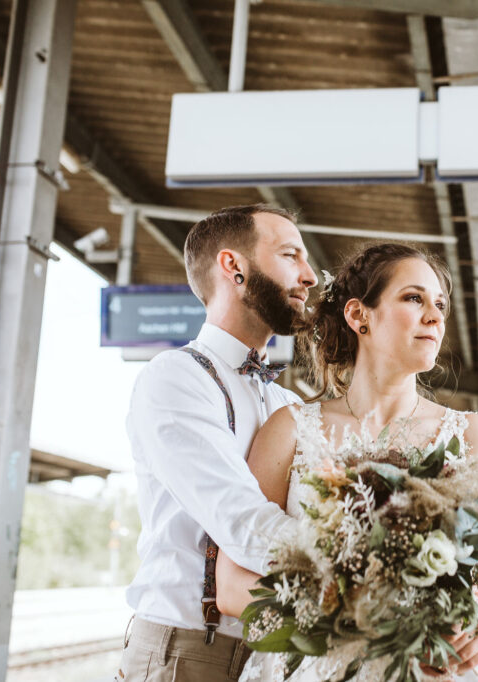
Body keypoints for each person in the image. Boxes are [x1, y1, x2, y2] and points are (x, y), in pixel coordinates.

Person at [215, 243, 478, 681]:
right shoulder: (288, 430)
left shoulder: (471, 436)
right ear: (358, 315)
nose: (436, 317)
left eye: (440, 304)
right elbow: (231, 584)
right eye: (413, 298)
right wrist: (349, 617)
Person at [117, 204, 317, 681]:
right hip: (187, 649)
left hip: (276, 654)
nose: (309, 277)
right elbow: (243, 522)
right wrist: (362, 571)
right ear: (234, 267)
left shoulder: (286, 400)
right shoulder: (176, 377)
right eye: (291, 255)